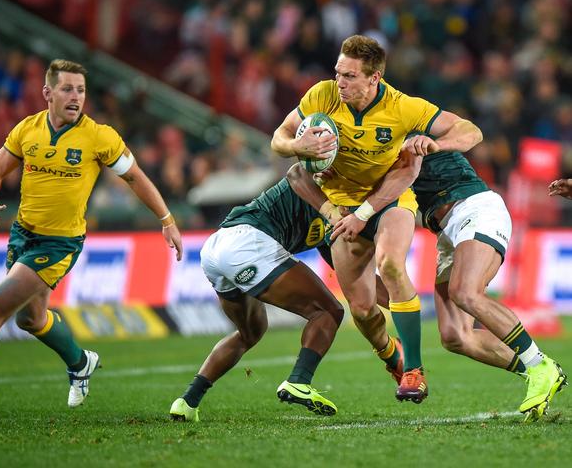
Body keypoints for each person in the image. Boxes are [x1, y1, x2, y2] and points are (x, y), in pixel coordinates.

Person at [0, 59, 183, 416]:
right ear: (48, 93)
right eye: (67, 89)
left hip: (59, 244)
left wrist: (166, 219)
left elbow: (135, 177)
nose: (76, 96)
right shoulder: (27, 130)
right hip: (22, 236)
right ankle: (80, 362)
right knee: (30, 319)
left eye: (81, 90)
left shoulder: (99, 136)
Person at [292, 139, 568, 423]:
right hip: (446, 231)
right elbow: (299, 175)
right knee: (455, 336)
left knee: (465, 293)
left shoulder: (403, 129)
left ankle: (539, 365)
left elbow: (470, 132)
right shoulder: (360, 168)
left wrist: (438, 141)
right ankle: (542, 370)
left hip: (475, 208)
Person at [271, 34, 483, 403]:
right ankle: (394, 357)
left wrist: (436, 144)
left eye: (350, 76)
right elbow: (279, 137)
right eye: (339, 73)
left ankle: (415, 371)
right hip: (341, 206)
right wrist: (296, 146)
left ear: (375, 78)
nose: (340, 82)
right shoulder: (322, 95)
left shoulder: (402, 107)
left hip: (388, 200)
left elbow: (470, 131)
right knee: (364, 309)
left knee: (391, 265)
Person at [169, 174, 346, 422]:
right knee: (329, 311)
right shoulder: (315, 183)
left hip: (216, 247)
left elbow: (353, 275)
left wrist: (399, 299)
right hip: (247, 242)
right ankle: (298, 381)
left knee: (250, 332)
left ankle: (187, 401)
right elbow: (297, 171)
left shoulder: (330, 220)